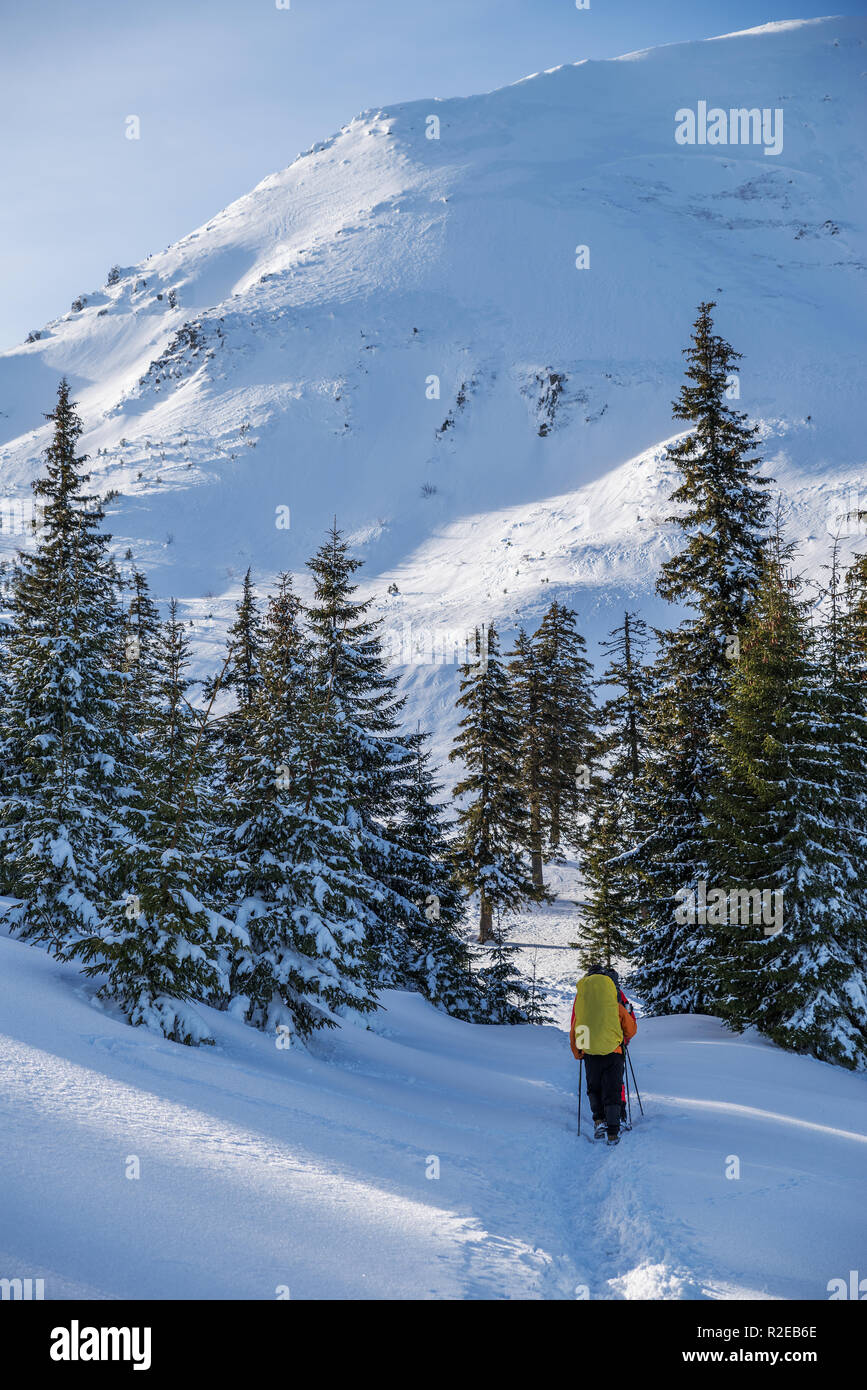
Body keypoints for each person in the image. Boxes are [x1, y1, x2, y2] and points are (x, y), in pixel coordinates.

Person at [570, 965, 637, 1144]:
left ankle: (599, 1121)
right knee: (613, 1087)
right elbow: (629, 1024)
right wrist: (624, 1038)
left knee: (594, 1086)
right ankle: (613, 1132)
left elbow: (576, 1024)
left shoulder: (582, 998)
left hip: (589, 1050)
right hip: (613, 1049)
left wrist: (578, 1050)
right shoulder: (613, 996)